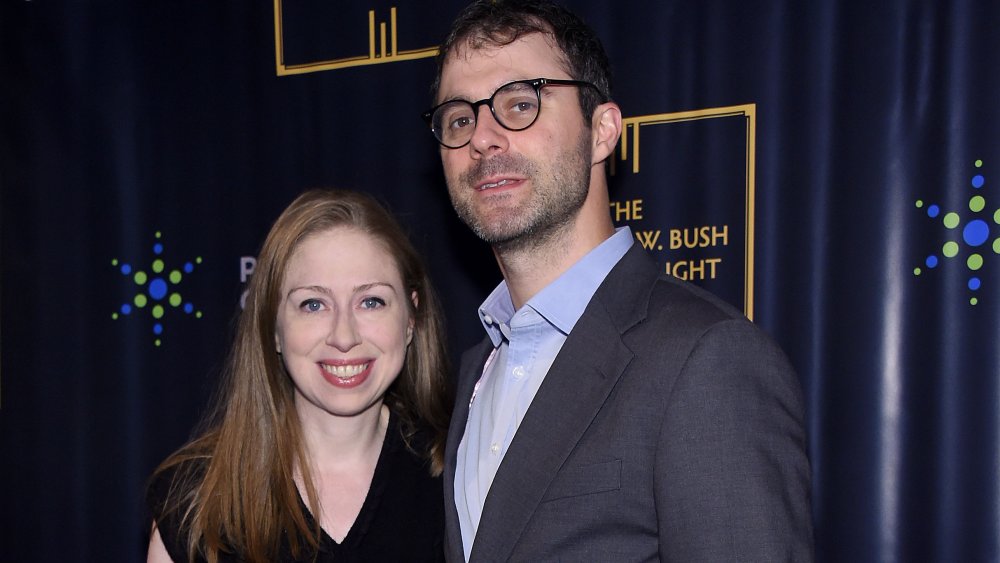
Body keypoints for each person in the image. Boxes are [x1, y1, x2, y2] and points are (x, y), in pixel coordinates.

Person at [421, 1, 814, 561]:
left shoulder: (706, 360)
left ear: (603, 131)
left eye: (520, 104)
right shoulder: (479, 372)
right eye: (460, 118)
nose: (483, 137)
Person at [146, 189, 451, 563]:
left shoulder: (460, 477)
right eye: (313, 304)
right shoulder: (195, 499)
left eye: (371, 301)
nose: (344, 336)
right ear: (274, 326)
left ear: (410, 319)